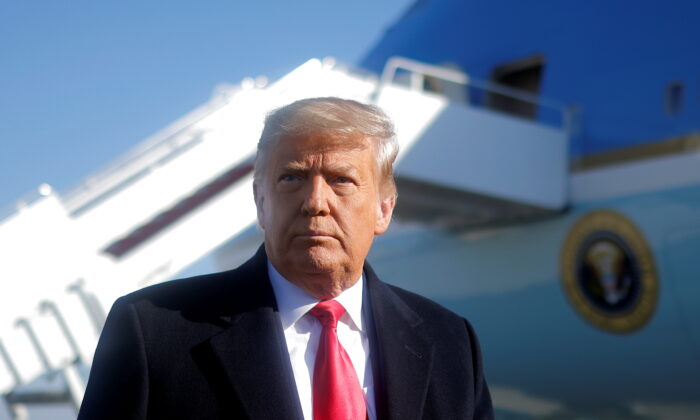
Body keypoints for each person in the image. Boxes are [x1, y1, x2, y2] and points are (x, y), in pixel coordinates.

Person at [78, 97, 493, 419]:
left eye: (341, 180)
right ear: (261, 201)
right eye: (292, 177)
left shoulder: (451, 341)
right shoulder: (154, 330)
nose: (315, 202)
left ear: (384, 209)